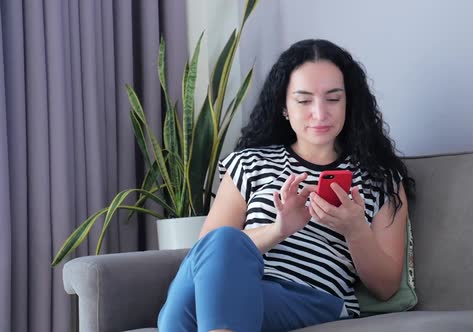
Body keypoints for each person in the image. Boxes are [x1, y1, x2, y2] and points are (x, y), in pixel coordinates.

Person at [157, 39, 414, 332]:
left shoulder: (379, 179)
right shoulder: (247, 163)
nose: (320, 113)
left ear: (349, 103)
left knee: (188, 310)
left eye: (333, 99)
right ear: (284, 107)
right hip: (238, 287)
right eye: (304, 100)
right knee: (223, 242)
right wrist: (278, 230)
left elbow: (386, 288)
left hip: (313, 300)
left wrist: (355, 230)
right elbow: (206, 254)